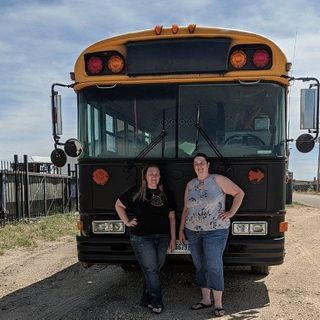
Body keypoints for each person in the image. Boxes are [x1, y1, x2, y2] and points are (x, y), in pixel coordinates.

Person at [178, 153, 244, 317]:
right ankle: (205, 299)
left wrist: (231, 213)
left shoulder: (217, 180)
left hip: (215, 231)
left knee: (214, 264)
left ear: (207, 164)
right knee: (199, 265)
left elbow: (239, 193)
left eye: (201, 162)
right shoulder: (190, 184)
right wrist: (181, 229)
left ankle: (219, 304)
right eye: (195, 163)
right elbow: (186, 209)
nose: (198, 165)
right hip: (192, 231)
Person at [115, 164, 176, 314]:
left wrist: (173, 238)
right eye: (151, 173)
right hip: (141, 238)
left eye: (157, 173)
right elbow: (118, 205)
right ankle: (156, 302)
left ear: (160, 176)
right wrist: (127, 222)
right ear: (145, 176)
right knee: (151, 269)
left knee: (154, 269)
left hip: (162, 237)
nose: (154, 176)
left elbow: (172, 217)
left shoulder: (166, 193)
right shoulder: (136, 192)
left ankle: (145, 298)